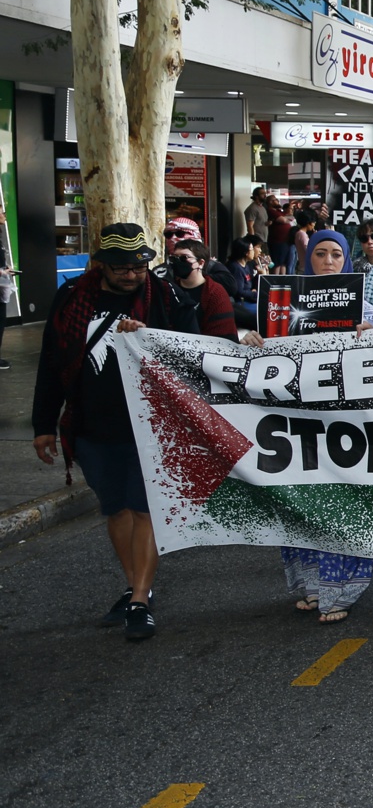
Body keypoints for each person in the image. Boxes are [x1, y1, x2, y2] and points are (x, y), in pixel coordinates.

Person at [31, 224, 242, 640]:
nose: (132, 274)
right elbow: (51, 363)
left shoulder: (165, 298)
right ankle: (133, 588)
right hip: (91, 423)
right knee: (117, 509)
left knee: (144, 506)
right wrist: (43, 426)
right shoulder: (72, 299)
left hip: (150, 425)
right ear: (101, 265)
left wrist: (148, 333)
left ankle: (140, 599)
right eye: (122, 267)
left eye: (139, 265)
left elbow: (192, 348)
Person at [276, 231, 373, 623]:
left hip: (347, 426)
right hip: (298, 425)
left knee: (344, 504)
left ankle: (342, 588)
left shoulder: (365, 311)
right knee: (304, 504)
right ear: (308, 260)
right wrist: (253, 341)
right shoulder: (282, 308)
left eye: (337, 254)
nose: (329, 261)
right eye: (320, 254)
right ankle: (310, 585)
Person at [165, 240, 237, 341]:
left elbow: (222, 337)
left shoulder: (216, 293)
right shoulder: (169, 290)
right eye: (174, 258)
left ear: (200, 263)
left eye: (184, 258)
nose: (178, 262)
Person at [222, 237, 261, 330]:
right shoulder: (235, 268)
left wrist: (259, 275)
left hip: (249, 298)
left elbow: (250, 283)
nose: (254, 252)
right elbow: (239, 291)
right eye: (252, 249)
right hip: (240, 302)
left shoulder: (247, 265)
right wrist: (255, 294)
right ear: (246, 252)